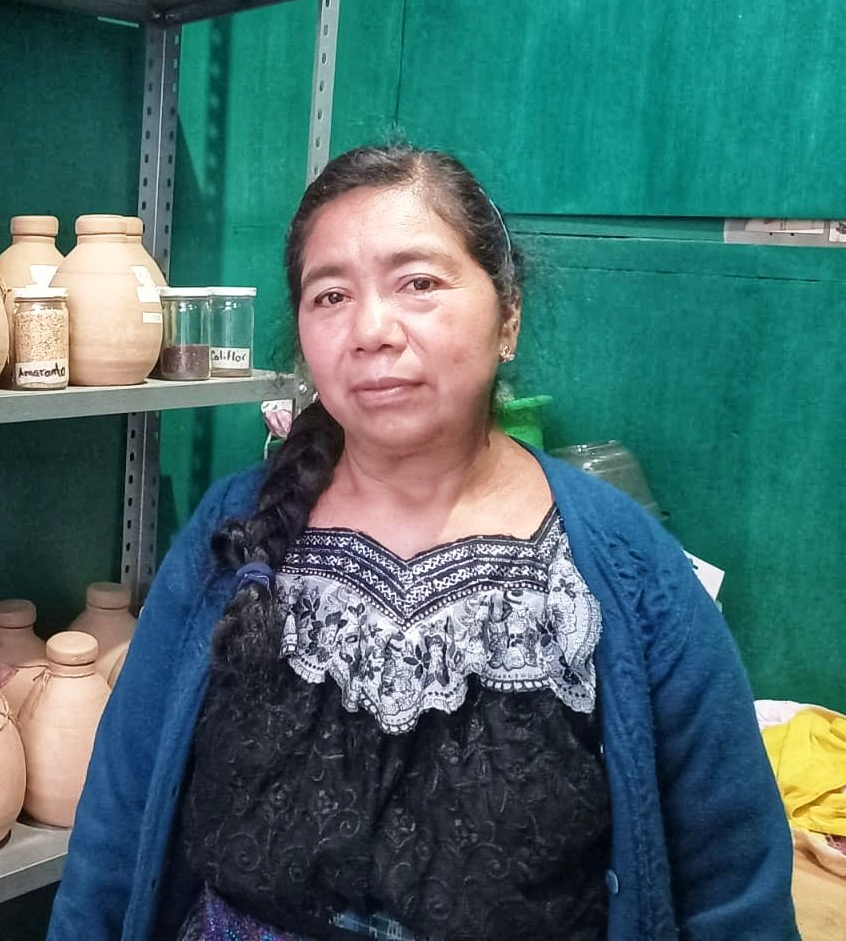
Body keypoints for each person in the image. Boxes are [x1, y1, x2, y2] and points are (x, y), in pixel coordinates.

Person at [47, 144, 797, 941]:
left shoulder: (623, 570)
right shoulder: (233, 537)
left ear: (508, 315)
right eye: (330, 295)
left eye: (419, 283)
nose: (372, 330)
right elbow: (118, 826)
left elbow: (732, 883)